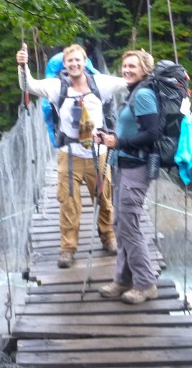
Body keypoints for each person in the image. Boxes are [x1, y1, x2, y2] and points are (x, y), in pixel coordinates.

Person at [17, 43, 126, 268]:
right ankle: (68, 248)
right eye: (70, 61)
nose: (74, 64)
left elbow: (128, 82)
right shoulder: (57, 87)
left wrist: (152, 73)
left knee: (104, 199)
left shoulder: (101, 84)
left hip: (98, 153)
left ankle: (108, 237)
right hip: (69, 155)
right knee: (68, 202)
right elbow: (28, 85)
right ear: (65, 65)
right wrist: (23, 65)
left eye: (78, 60)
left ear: (85, 62)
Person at [96, 49, 160, 305]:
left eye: (132, 66)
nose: (127, 70)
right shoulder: (134, 92)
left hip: (137, 167)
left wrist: (118, 141)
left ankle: (145, 284)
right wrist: (109, 137)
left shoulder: (143, 94)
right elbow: (134, 129)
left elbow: (152, 133)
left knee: (129, 226)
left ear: (144, 70)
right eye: (124, 66)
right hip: (125, 164)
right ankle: (123, 279)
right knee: (121, 225)